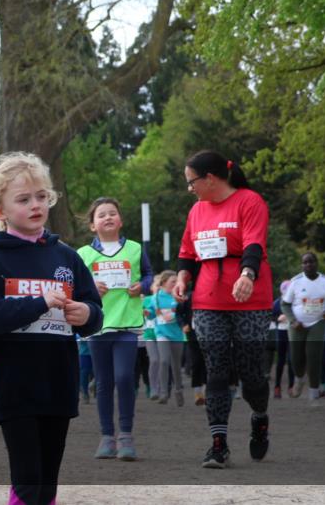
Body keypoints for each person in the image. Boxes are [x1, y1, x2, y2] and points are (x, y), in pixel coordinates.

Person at [0, 152, 103, 505]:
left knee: (48, 478)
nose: (35, 205)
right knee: (28, 476)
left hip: (58, 381)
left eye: (41, 197)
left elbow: (95, 312)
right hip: (13, 384)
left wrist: (86, 315)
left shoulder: (67, 257)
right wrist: (39, 302)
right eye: (23, 199)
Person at [172, 151, 273, 469]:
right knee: (216, 370)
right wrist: (182, 276)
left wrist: (247, 274)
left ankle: (259, 417)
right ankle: (219, 444)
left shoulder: (249, 201)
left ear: (210, 179)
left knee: (250, 371)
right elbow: (188, 251)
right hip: (207, 300)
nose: (189, 189)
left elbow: (254, 244)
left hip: (249, 298)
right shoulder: (197, 210)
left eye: (192, 182)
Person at [78, 197, 153, 461]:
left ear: (120, 221)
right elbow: (75, 286)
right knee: (103, 382)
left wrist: (141, 287)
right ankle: (107, 436)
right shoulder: (83, 254)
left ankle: (126, 435)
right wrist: (90, 288)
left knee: (124, 377)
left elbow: (148, 276)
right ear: (92, 225)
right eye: (101, 215)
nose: (107, 217)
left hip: (127, 324)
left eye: (112, 213)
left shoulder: (134, 248)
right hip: (98, 325)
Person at [281, 252, 325, 401]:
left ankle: (314, 392)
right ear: (301, 265)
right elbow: (284, 304)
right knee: (295, 358)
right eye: (305, 263)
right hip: (297, 325)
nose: (308, 265)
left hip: (317, 323)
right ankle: (299, 379)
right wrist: (292, 321)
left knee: (314, 357)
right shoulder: (295, 282)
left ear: (316, 263)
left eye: (311, 262)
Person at [146, 270, 186, 406]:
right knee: (163, 361)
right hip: (161, 332)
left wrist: (174, 316)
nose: (176, 284)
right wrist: (148, 313)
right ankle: (163, 393)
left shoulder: (179, 296)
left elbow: (185, 313)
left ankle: (178, 390)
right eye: (173, 282)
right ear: (164, 283)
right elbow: (151, 315)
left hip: (177, 334)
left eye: (176, 281)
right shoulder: (155, 297)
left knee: (176, 365)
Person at [176, 289, 207, 406]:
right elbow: (178, 313)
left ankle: (207, 390)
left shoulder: (213, 294)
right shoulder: (189, 296)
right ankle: (198, 392)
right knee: (196, 361)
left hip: (210, 333)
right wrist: (183, 325)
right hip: (193, 334)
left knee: (208, 362)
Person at [271, 282, 295, 398]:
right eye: (285, 290)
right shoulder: (276, 303)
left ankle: (291, 386)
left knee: (291, 360)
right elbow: (270, 315)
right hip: (281, 332)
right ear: (281, 291)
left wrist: (291, 318)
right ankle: (277, 387)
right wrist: (277, 318)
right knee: (280, 360)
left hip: (292, 333)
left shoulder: (295, 302)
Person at [141, 291, 161, 401]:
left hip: (164, 334)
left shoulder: (168, 299)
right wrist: (145, 312)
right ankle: (153, 388)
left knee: (164, 361)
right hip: (149, 335)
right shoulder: (147, 299)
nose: (158, 288)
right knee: (154, 360)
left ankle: (164, 387)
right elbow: (142, 312)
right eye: (156, 285)